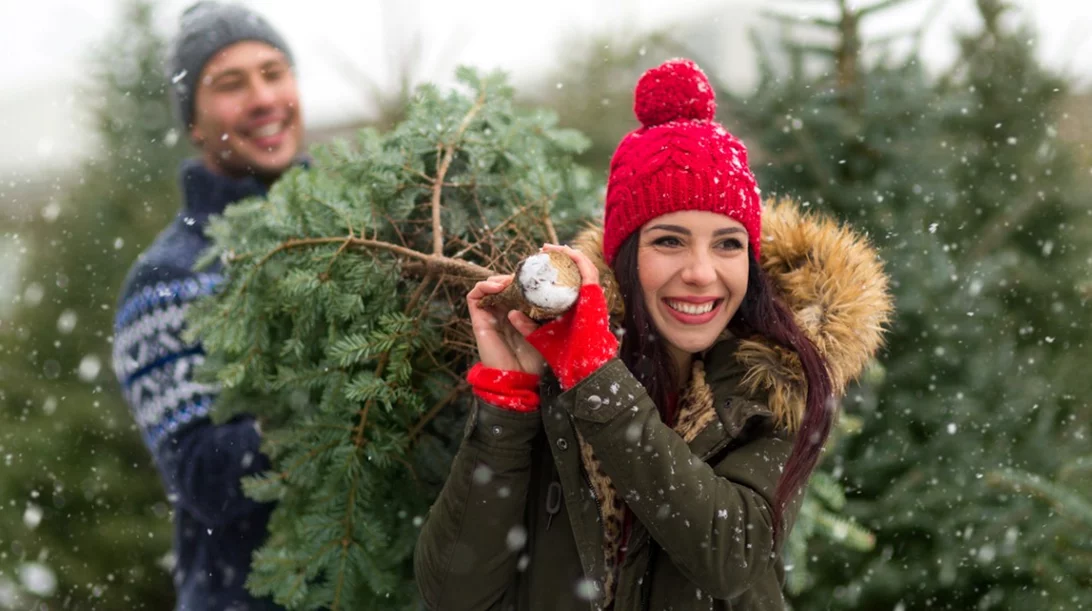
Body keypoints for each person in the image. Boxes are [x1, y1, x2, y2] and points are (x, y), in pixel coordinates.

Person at [414, 58, 891, 610]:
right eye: (669, 241)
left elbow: (730, 557)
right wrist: (508, 404)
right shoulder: (556, 370)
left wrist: (598, 378)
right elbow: (453, 592)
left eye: (728, 244)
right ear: (624, 257)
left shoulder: (778, 381)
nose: (702, 272)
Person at [111, 3, 304, 609]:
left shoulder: (372, 234)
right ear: (193, 123)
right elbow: (204, 477)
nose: (263, 99)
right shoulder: (166, 281)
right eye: (230, 84)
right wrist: (329, 398)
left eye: (273, 73)